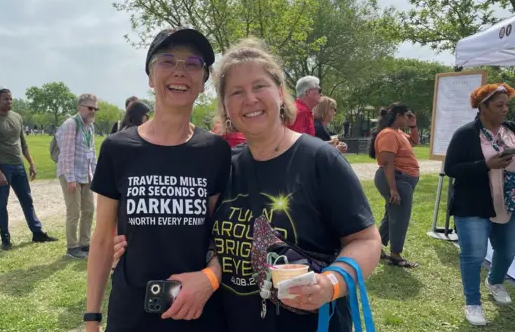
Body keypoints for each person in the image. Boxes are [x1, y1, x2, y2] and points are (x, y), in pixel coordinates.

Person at [115, 38, 381, 331]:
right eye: (236, 92)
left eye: (259, 86)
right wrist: (133, 238)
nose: (250, 99)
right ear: (226, 107)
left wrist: (331, 283)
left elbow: (365, 240)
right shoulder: (224, 166)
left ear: (280, 93)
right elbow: (201, 237)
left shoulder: (320, 159)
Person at [85, 27, 231, 332]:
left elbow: (221, 237)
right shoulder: (118, 148)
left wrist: (210, 277)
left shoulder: (215, 151)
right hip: (132, 312)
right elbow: (101, 238)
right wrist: (92, 318)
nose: (180, 71)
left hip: (197, 310)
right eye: (167, 61)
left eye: (192, 64)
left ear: (203, 82)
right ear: (151, 77)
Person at [444, 83, 515, 326]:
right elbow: (450, 168)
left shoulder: (511, 129)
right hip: (473, 203)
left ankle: (494, 282)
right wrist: (486, 165)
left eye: (507, 105)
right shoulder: (465, 134)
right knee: (474, 254)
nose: (505, 110)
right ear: (483, 107)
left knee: (508, 250)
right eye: (499, 105)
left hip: (510, 201)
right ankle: (472, 302)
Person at [0, 86, 58, 250]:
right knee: (2, 203)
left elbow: (23, 142)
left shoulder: (17, 117)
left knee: (27, 200)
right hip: (2, 167)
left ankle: (37, 232)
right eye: (5, 99)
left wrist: (31, 163)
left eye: (10, 98)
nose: (9, 102)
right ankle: (5, 237)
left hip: (19, 166)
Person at [369, 103, 420, 268]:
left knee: (392, 214)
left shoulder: (398, 133)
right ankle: (395, 255)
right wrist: (393, 188)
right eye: (407, 115)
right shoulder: (388, 134)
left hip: (401, 180)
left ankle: (375, 248)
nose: (408, 118)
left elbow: (414, 141)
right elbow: (387, 163)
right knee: (400, 217)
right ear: (398, 115)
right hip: (395, 179)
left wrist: (413, 125)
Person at [56, 94, 99, 259]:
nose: (93, 111)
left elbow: (92, 152)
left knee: (89, 209)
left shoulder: (90, 126)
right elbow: (66, 153)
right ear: (80, 107)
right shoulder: (71, 124)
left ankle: (85, 243)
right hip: (71, 174)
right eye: (90, 108)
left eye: (95, 108)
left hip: (86, 173)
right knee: (74, 211)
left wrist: (94, 175)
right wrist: (70, 178)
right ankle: (72, 247)